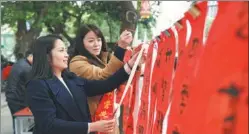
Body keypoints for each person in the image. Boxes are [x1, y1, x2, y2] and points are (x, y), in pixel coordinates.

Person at [26, 34, 138, 134]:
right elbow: (49, 124)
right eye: (61, 51)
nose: (66, 55)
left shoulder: (71, 78)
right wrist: (91, 127)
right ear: (46, 56)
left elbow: (105, 85)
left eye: (66, 51)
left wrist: (129, 66)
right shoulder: (37, 85)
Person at [69, 24, 132, 121]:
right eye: (91, 41)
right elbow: (103, 76)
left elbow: (123, 75)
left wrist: (138, 60)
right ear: (81, 43)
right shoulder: (77, 63)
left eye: (99, 40)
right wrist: (121, 48)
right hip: (92, 120)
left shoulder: (105, 57)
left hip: (110, 117)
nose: (96, 44)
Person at [5, 49, 33, 115]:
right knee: (22, 122)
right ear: (31, 56)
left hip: (11, 97)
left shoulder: (21, 62)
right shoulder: (27, 68)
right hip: (17, 100)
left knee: (17, 122)